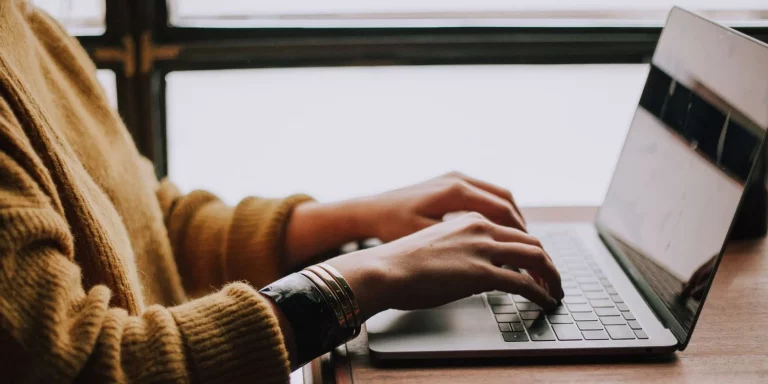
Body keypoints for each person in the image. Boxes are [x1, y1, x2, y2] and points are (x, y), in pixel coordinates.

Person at [0, 1, 563, 382]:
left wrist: (359, 217)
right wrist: (368, 277)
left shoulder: (22, 19)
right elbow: (86, 366)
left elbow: (151, 225)